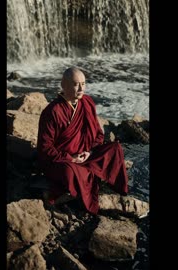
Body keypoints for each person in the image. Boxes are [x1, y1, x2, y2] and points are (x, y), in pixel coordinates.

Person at [37, 67, 129, 214]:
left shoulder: (87, 102)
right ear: (63, 85)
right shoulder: (52, 111)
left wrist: (90, 151)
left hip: (85, 154)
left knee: (115, 148)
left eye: (83, 83)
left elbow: (98, 134)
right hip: (64, 160)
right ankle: (93, 176)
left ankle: (88, 176)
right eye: (75, 84)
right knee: (69, 171)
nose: (81, 88)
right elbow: (45, 148)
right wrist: (70, 158)